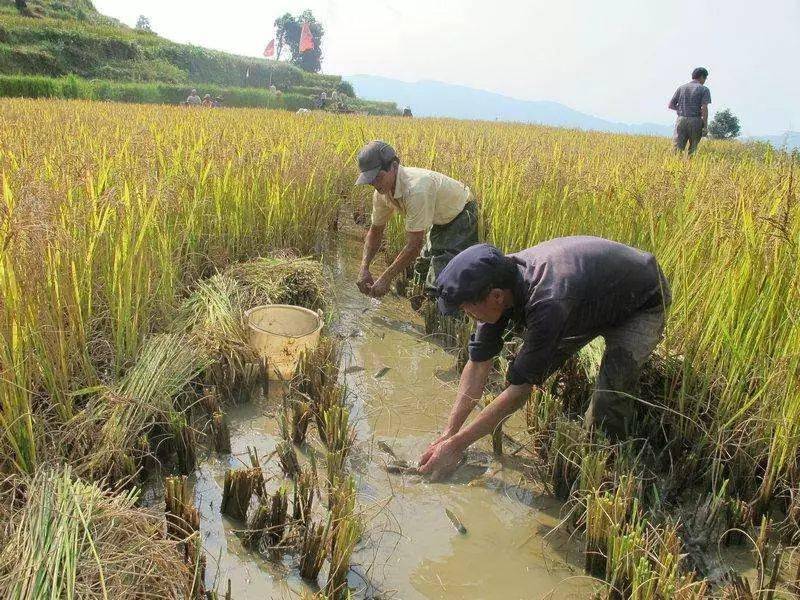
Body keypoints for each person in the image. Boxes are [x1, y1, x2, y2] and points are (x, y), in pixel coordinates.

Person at [418, 237, 672, 480]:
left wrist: (457, 446)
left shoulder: (547, 301)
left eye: (466, 309)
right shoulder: (500, 285)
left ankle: (605, 466)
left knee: (609, 396)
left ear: (495, 296)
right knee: (522, 370)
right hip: (586, 298)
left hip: (640, 301)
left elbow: (521, 390)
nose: (467, 316)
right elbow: (478, 364)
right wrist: (449, 434)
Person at [355, 141, 479, 299]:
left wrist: (386, 278)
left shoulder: (416, 189)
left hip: (462, 215)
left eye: (378, 177)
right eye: (370, 180)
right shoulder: (381, 192)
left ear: (394, 166)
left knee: (441, 280)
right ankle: (421, 313)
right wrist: (363, 268)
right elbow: (375, 231)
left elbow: (414, 245)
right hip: (440, 219)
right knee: (421, 271)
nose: (375, 184)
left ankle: (446, 316)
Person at [668, 67, 711, 155]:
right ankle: (689, 166)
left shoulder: (681, 88)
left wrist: (681, 109)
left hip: (681, 120)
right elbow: (704, 108)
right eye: (705, 78)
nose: (704, 81)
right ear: (702, 77)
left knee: (677, 149)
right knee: (693, 148)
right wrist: (705, 126)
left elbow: (671, 105)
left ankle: (675, 166)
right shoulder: (704, 89)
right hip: (695, 121)